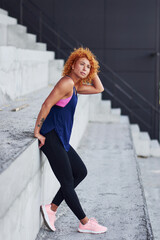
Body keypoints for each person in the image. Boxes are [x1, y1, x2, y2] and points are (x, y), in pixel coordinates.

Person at [34, 47, 107, 234]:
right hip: (50, 136)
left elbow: (99, 88)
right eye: (81, 64)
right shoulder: (66, 83)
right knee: (67, 180)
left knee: (80, 172)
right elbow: (46, 104)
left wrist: (93, 69)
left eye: (88, 67)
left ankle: (51, 209)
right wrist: (37, 131)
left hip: (61, 137)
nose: (84, 68)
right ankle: (84, 222)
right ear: (72, 64)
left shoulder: (76, 86)